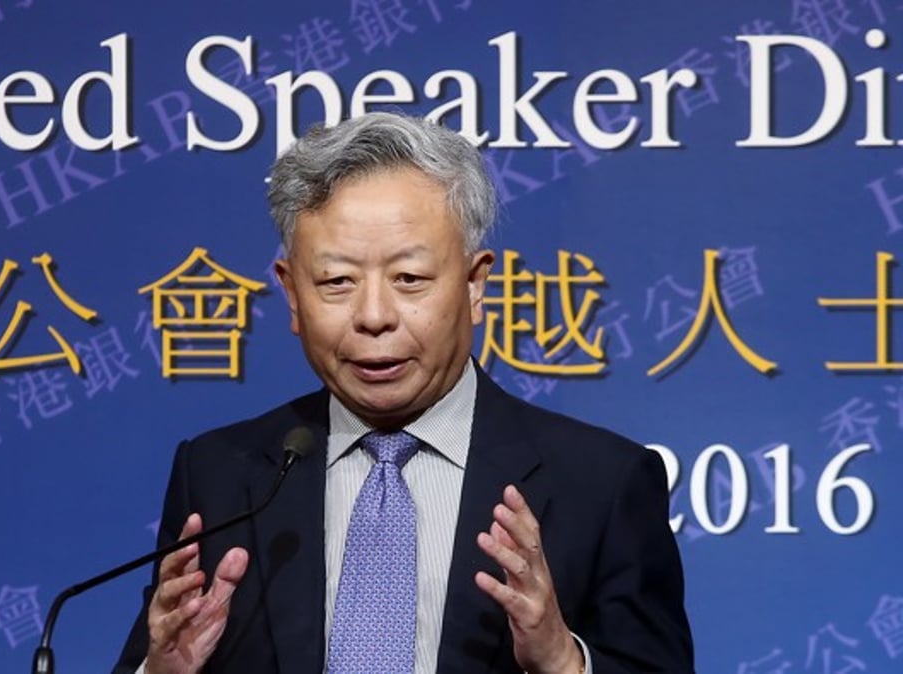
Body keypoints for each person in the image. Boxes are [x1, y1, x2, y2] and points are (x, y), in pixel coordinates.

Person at [114, 112, 694, 674]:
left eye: (409, 279)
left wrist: (562, 663)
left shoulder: (603, 483)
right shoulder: (220, 477)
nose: (373, 316)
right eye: (337, 281)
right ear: (292, 294)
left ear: (474, 284)